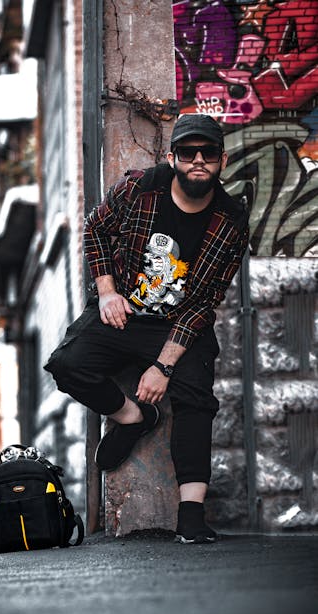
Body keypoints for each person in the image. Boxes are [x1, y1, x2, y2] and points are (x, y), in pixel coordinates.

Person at [45, 114, 249, 544]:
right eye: (189, 152)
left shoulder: (231, 221)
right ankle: (134, 416)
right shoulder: (141, 187)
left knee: (196, 398)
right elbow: (96, 228)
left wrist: (163, 366)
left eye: (208, 153)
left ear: (221, 160)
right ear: (172, 157)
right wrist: (106, 292)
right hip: (126, 313)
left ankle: (191, 515)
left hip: (179, 325)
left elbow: (202, 303)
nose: (198, 160)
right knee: (66, 364)